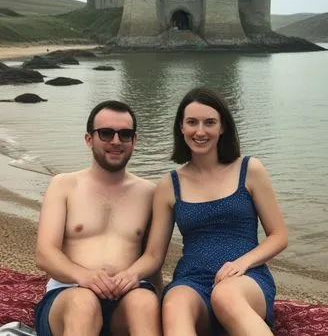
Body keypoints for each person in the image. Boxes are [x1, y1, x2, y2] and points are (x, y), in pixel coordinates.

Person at [120, 87, 288, 336]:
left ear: (222, 128)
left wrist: (241, 263)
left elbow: (279, 235)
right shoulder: (169, 184)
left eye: (209, 122)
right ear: (181, 128)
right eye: (192, 122)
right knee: (173, 304)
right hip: (192, 280)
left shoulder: (249, 169)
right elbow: (154, 254)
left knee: (225, 295)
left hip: (246, 278)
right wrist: (125, 276)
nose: (200, 131)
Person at [34, 100, 162, 336]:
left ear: (134, 141)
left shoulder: (149, 193)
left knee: (145, 302)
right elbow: (45, 254)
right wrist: (84, 276)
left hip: (125, 298)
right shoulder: (64, 185)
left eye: (125, 134)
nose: (115, 141)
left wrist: (133, 275)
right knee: (83, 303)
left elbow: (153, 256)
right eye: (106, 133)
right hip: (68, 294)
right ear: (89, 139)